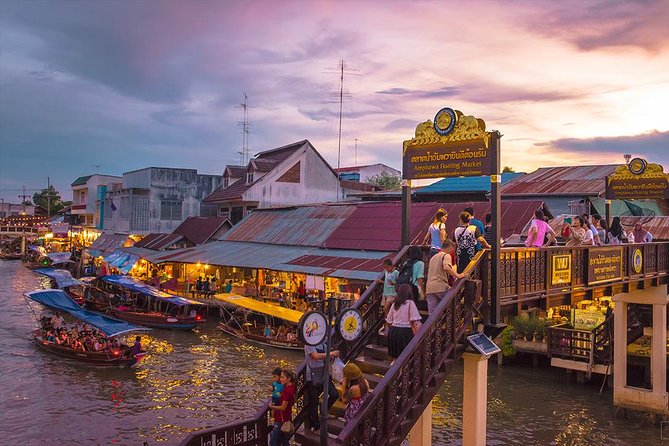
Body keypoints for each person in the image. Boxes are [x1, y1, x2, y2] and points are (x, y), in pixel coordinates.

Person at [304, 341, 340, 430]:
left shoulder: (322, 342)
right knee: (314, 401)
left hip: (324, 374)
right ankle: (316, 425)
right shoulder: (309, 343)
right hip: (312, 375)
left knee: (334, 394)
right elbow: (315, 356)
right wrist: (331, 353)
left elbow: (325, 356)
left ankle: (324, 411)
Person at [425, 240, 464, 314]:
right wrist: (457, 275)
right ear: (450, 247)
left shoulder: (433, 258)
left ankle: (435, 326)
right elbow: (446, 267)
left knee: (432, 314)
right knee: (453, 302)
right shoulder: (446, 255)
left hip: (429, 288)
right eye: (452, 250)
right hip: (440, 286)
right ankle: (454, 324)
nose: (452, 252)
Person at [386, 284, 421, 361]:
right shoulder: (410, 303)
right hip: (405, 332)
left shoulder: (395, 304)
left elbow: (389, 320)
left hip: (393, 331)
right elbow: (415, 320)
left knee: (396, 356)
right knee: (405, 356)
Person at [268, 370, 296, 446]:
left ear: (289, 378)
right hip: (285, 417)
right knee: (283, 439)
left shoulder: (288, 391)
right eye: (280, 377)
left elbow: (283, 407)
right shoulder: (289, 387)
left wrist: (271, 406)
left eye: (283, 377)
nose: (280, 379)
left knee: (273, 441)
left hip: (281, 418)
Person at [376, 259, 399, 335]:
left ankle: (388, 323)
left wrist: (394, 283)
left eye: (387, 267)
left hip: (392, 293)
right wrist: (381, 282)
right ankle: (387, 323)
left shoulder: (396, 273)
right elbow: (386, 282)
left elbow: (398, 283)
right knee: (385, 309)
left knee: (386, 307)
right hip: (385, 292)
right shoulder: (386, 272)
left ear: (391, 266)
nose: (386, 269)